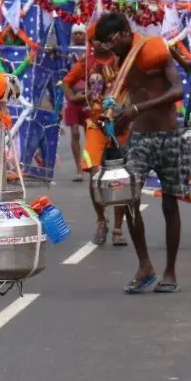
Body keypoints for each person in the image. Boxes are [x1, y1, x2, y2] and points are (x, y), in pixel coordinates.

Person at [94, 12, 189, 294]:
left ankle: (170, 271)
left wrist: (138, 109)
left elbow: (177, 90)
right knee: (127, 196)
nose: (110, 50)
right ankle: (144, 265)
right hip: (141, 138)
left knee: (170, 204)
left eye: (111, 42)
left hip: (169, 136)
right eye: (105, 46)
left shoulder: (155, 49)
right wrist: (115, 116)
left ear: (125, 32)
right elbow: (124, 99)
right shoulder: (120, 65)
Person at [63, 39, 128, 244]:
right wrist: (76, 98)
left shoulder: (123, 60)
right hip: (95, 126)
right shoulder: (86, 63)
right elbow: (67, 82)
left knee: (119, 179)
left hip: (120, 129)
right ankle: (101, 220)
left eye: (105, 37)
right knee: (94, 174)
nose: (101, 42)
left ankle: (118, 229)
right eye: (97, 39)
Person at [61, 25, 90, 183]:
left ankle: (90, 165)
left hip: (88, 98)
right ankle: (79, 169)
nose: (79, 36)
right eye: (76, 34)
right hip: (72, 97)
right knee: (75, 133)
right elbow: (64, 77)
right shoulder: (67, 53)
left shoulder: (90, 53)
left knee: (89, 132)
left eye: (81, 33)